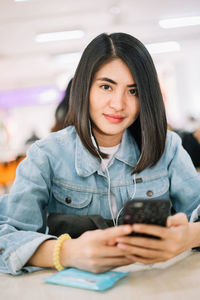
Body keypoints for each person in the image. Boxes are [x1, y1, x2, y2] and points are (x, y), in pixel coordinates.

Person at [0, 32, 200, 276]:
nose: (118, 104)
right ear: (85, 88)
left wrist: (188, 236)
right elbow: (6, 238)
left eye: (133, 91)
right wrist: (66, 252)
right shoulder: (46, 155)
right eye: (106, 86)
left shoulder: (166, 147)